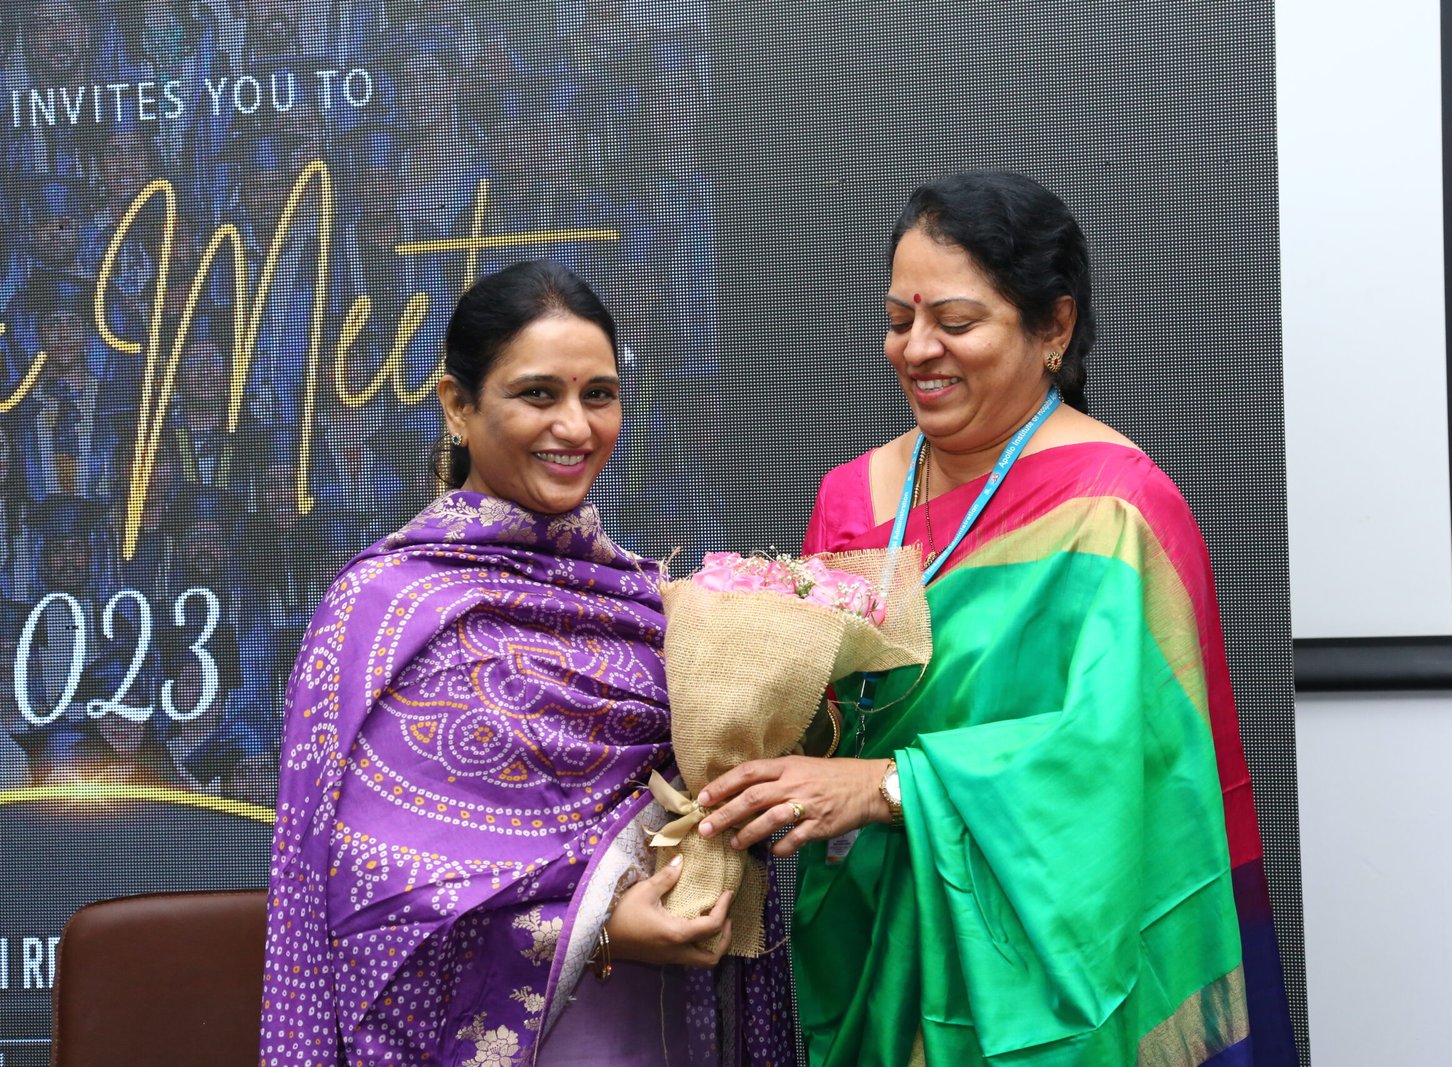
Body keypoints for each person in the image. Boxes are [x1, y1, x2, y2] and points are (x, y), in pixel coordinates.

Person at [698, 172, 1297, 1065]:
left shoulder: (1116, 510)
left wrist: (891, 788)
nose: (916, 349)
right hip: (878, 953)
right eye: (899, 320)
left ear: (1053, 327)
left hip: (1049, 963)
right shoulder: (850, 497)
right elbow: (827, 727)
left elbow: (1111, 766)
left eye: (955, 321)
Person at [261, 260, 750, 1066]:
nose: (576, 426)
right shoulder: (383, 611)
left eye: (599, 394)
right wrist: (597, 928)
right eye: (538, 394)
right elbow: (371, 891)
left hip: (652, 1026)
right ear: (458, 404)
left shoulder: (647, 601)